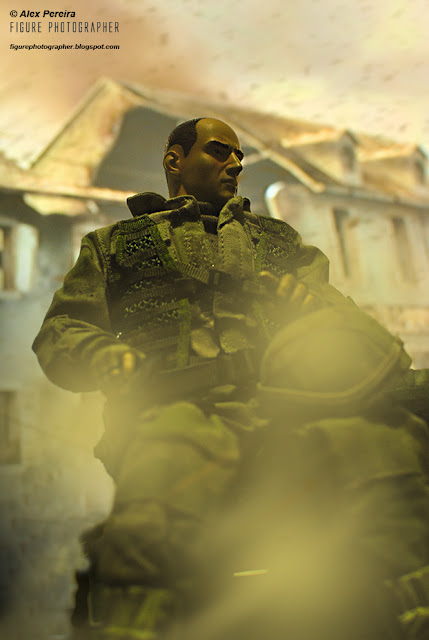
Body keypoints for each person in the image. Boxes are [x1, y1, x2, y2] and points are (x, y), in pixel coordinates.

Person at [33, 118, 429, 640]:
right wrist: (102, 354)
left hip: (286, 411)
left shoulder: (277, 242)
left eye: (240, 157)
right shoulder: (115, 245)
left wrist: (312, 309)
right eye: (220, 151)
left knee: (382, 454)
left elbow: (344, 324)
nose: (235, 165)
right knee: (163, 489)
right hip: (168, 412)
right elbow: (62, 329)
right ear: (175, 160)